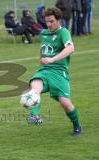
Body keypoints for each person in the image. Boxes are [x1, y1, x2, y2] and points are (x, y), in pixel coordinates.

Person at [25, 8, 82, 136]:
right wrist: (40, 58)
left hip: (59, 72)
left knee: (65, 103)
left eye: (52, 21)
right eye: (47, 22)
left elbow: (71, 48)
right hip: (45, 71)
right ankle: (34, 115)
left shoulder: (64, 32)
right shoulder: (44, 33)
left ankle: (77, 126)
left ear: (58, 20)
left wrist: (52, 59)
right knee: (34, 87)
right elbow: (43, 47)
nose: (49, 24)